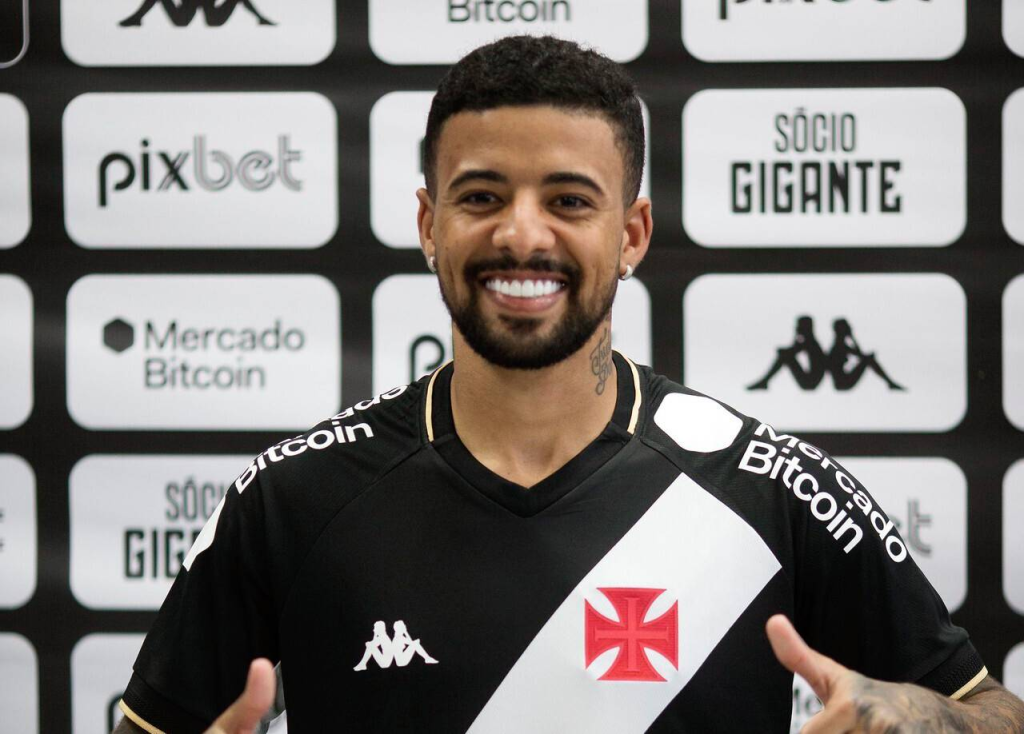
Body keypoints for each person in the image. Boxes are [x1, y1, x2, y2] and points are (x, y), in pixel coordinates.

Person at [115, 36, 1024, 733]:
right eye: (481, 196)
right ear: (429, 224)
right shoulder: (293, 497)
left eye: (569, 200)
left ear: (631, 235)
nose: (522, 234)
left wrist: (922, 720)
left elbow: (994, 712)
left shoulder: (770, 489)